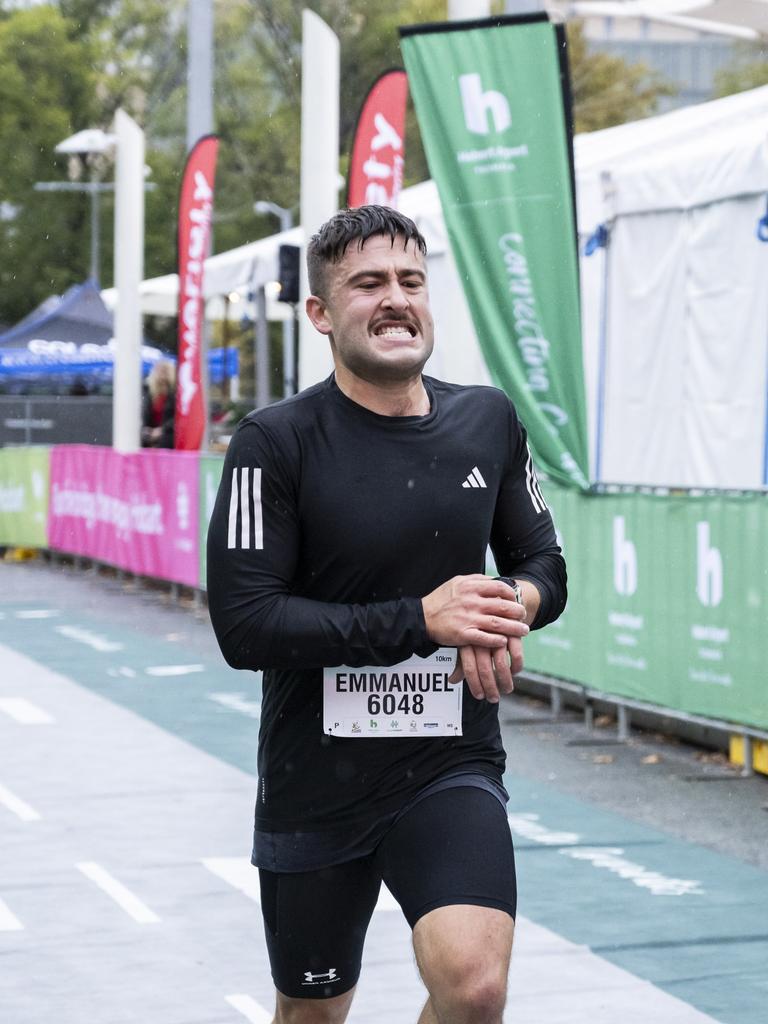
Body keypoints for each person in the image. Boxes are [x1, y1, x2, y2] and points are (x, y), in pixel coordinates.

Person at [207, 206, 566, 1024]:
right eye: (367, 283)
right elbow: (246, 625)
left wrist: (505, 606)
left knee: (475, 988)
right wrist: (421, 621)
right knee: (313, 1012)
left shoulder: (487, 421)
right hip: (315, 779)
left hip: (449, 761)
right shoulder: (275, 442)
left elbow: (545, 569)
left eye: (411, 280)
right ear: (322, 315)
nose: (395, 298)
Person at [140, 359, 175, 448]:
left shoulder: (175, 393)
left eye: (164, 372)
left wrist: (162, 430)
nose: (161, 376)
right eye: (159, 371)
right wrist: (145, 428)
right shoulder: (148, 391)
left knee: (166, 441)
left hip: (168, 433)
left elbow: (176, 418)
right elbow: (144, 413)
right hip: (151, 431)